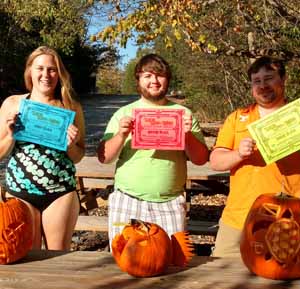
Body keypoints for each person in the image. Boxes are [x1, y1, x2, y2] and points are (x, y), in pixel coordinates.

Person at [98, 53, 209, 245]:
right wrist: (121, 135)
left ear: (168, 80)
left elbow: (200, 159)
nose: (154, 81)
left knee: (173, 263)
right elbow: (104, 157)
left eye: (159, 75)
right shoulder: (123, 113)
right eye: (147, 76)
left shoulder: (183, 114)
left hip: (170, 202)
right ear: (138, 80)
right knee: (125, 261)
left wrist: (186, 135)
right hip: (127, 200)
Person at [210, 56, 300, 257]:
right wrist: (239, 154)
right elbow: (216, 161)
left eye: (269, 78)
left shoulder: (297, 116)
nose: (263, 86)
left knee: (286, 283)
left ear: (283, 79)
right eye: (256, 81)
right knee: (223, 276)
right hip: (238, 219)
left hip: (289, 219)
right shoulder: (237, 117)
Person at [0, 46, 85, 250]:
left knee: (57, 258)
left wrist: (71, 146)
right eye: (40, 68)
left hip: (60, 193)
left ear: (59, 73)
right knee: (26, 256)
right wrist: (10, 135)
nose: (45, 75)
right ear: (30, 71)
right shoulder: (13, 104)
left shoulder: (70, 107)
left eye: (52, 69)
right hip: (20, 192)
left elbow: (78, 155)